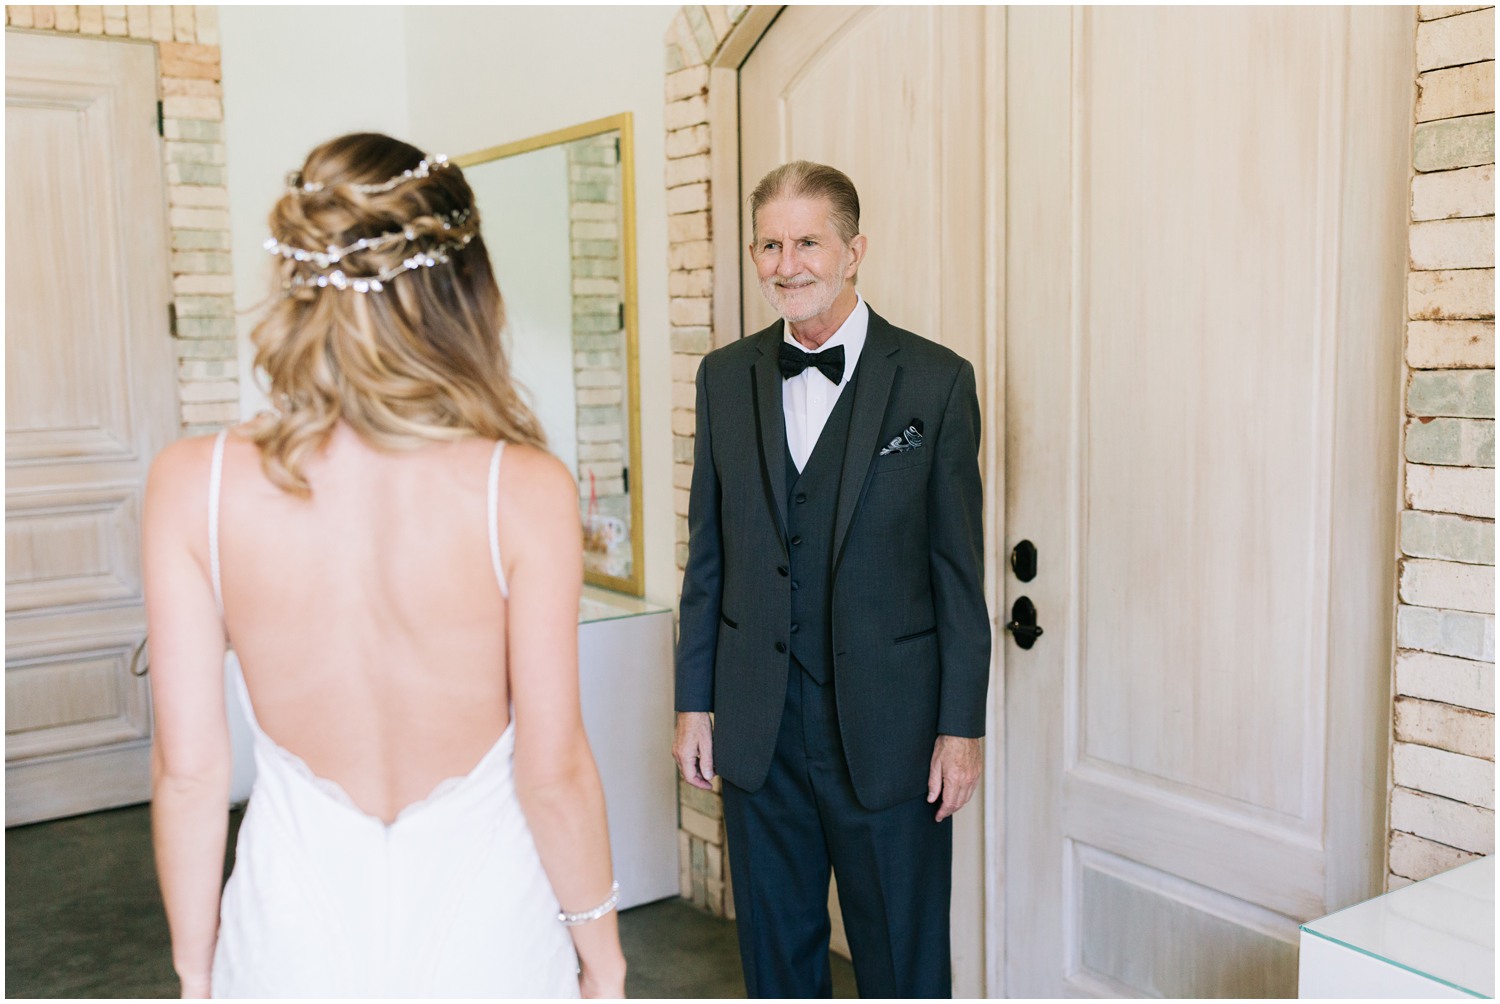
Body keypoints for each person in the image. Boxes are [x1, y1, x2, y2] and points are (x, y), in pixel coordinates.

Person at [143, 133, 626, 999]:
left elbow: (189, 773)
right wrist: (603, 955)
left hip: (289, 934)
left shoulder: (194, 486)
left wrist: (195, 971)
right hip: (489, 931)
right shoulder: (521, 488)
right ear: (465, 292)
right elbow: (552, 769)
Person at [672, 161, 990, 998]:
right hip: (756, 726)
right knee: (776, 963)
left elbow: (959, 575)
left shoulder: (935, 381)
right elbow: (708, 560)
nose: (788, 265)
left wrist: (962, 728)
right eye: (770, 245)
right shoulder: (723, 378)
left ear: (854, 251)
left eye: (808, 242)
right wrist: (692, 702)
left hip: (892, 732)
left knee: (902, 960)